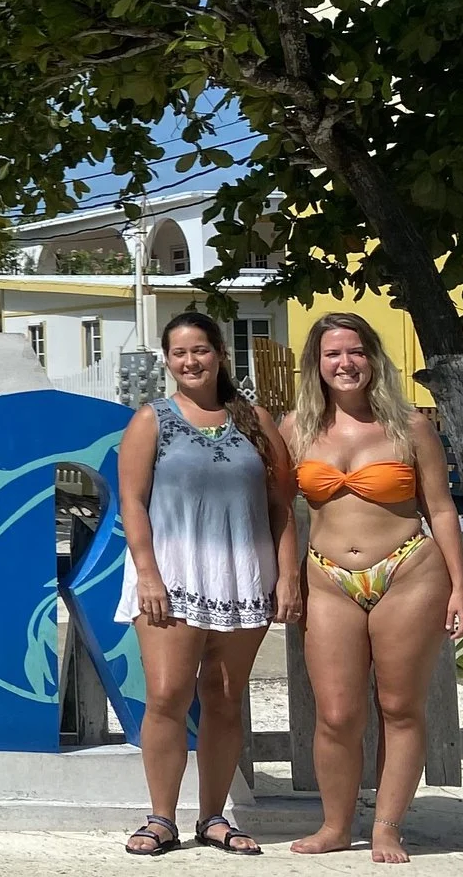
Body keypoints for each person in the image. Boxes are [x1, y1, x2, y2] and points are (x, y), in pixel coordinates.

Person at [284, 313, 463, 863]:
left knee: (399, 706)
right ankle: (336, 825)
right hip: (328, 578)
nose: (345, 363)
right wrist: (282, 579)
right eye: (332, 354)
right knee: (337, 713)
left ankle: (388, 827)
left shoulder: (410, 426)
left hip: (409, 572)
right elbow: (277, 512)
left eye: (356, 351)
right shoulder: (296, 427)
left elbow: (441, 508)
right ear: (316, 365)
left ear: (373, 358)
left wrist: (460, 587)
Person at [114, 311, 297, 856]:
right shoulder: (152, 419)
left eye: (200, 350)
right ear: (168, 361)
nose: (190, 362)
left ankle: (214, 818)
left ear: (219, 353)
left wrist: (288, 575)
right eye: (178, 353)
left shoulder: (257, 420)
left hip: (243, 576)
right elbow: (131, 503)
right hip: (170, 576)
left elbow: (281, 505)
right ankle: (160, 819)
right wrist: (147, 572)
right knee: (168, 694)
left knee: (223, 697)